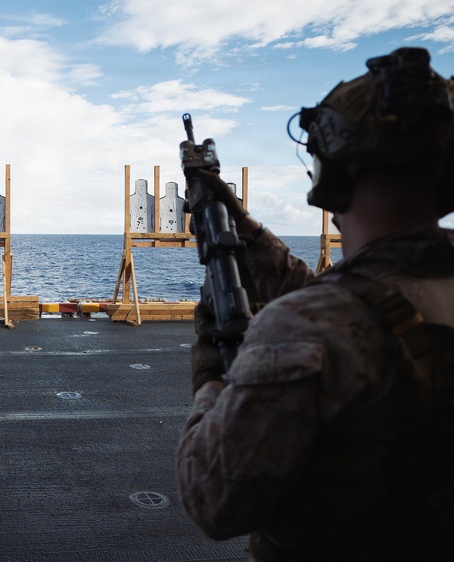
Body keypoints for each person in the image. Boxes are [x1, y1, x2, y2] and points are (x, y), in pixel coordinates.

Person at [176, 46, 454, 561]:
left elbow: (211, 499)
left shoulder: (306, 328)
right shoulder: (344, 310)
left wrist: (213, 368)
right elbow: (357, 299)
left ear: (335, 169)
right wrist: (240, 222)